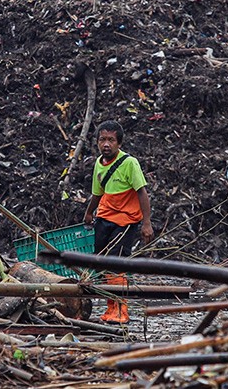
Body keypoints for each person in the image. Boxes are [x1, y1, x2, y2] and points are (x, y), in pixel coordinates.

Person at [83, 120, 153, 323]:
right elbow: (97, 193)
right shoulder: (98, 163)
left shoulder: (129, 163)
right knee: (101, 262)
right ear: (97, 142)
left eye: (111, 140)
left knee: (117, 263)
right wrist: (89, 213)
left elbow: (142, 193)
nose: (106, 144)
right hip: (104, 217)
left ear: (119, 143)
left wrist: (146, 223)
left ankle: (122, 310)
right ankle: (110, 307)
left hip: (125, 221)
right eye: (102, 140)